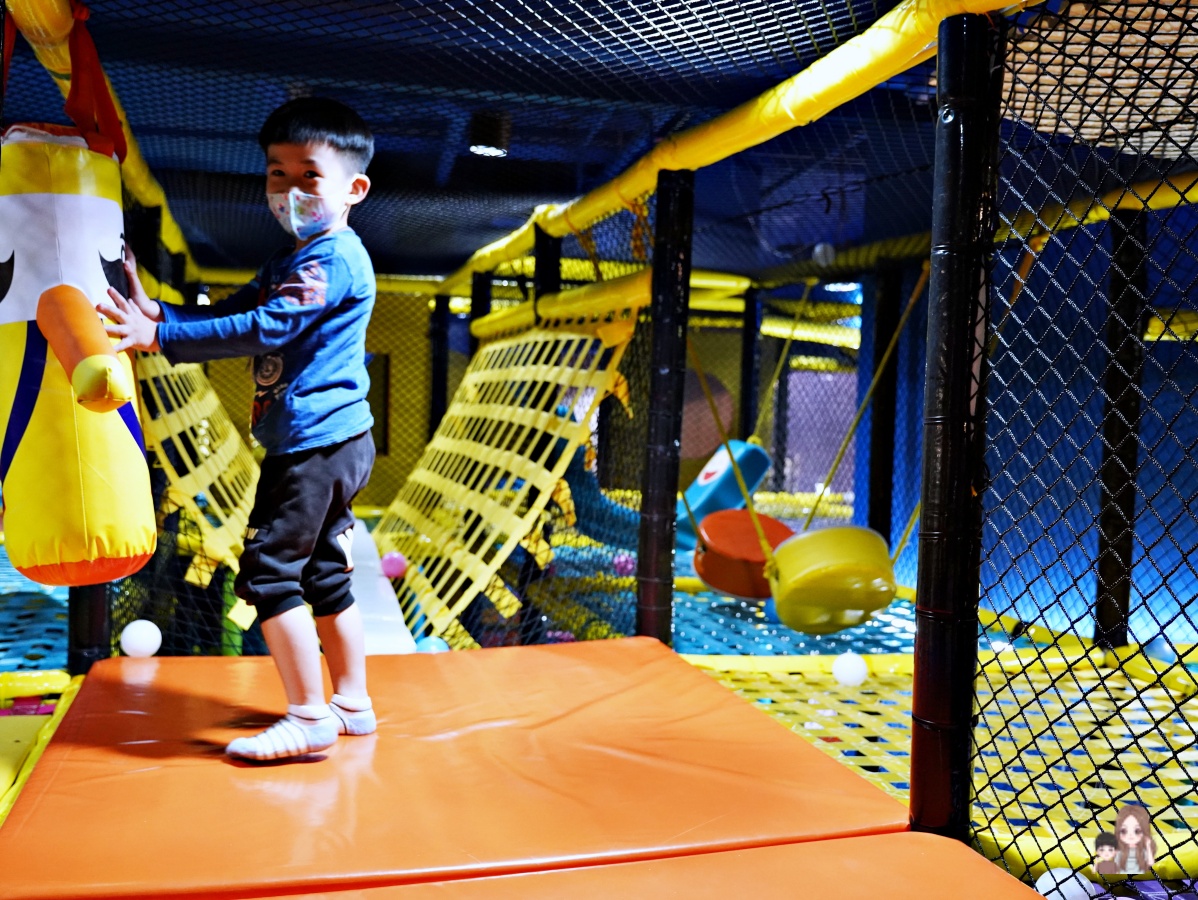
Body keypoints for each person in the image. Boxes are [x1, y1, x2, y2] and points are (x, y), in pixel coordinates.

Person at [101, 97, 378, 762]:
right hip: (324, 441)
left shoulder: (331, 259)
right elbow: (234, 307)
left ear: (353, 189)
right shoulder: (295, 259)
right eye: (276, 174)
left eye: (309, 175)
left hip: (316, 444)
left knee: (270, 570)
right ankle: (351, 704)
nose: (289, 190)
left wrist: (159, 337)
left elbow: (266, 327)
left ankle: (310, 717)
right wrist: (157, 308)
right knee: (319, 572)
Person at [1114, 804, 1156, 875]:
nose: (1130, 835)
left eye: (1137, 831)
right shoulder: (1120, 851)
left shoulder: (1142, 851)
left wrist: (1148, 845)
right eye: (1124, 831)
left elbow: (1150, 863)